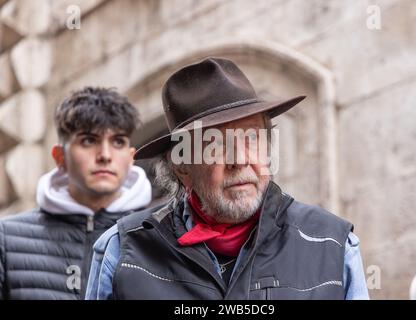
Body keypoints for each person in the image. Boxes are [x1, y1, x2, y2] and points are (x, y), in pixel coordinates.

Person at [86, 58, 369, 300]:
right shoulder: (123, 250)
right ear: (182, 167)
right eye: (215, 145)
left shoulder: (333, 244)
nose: (239, 160)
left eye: (252, 139)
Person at [0, 87, 151, 299]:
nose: (105, 155)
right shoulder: (7, 239)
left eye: (118, 142)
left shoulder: (159, 236)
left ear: (131, 157)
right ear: (60, 157)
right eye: (89, 140)